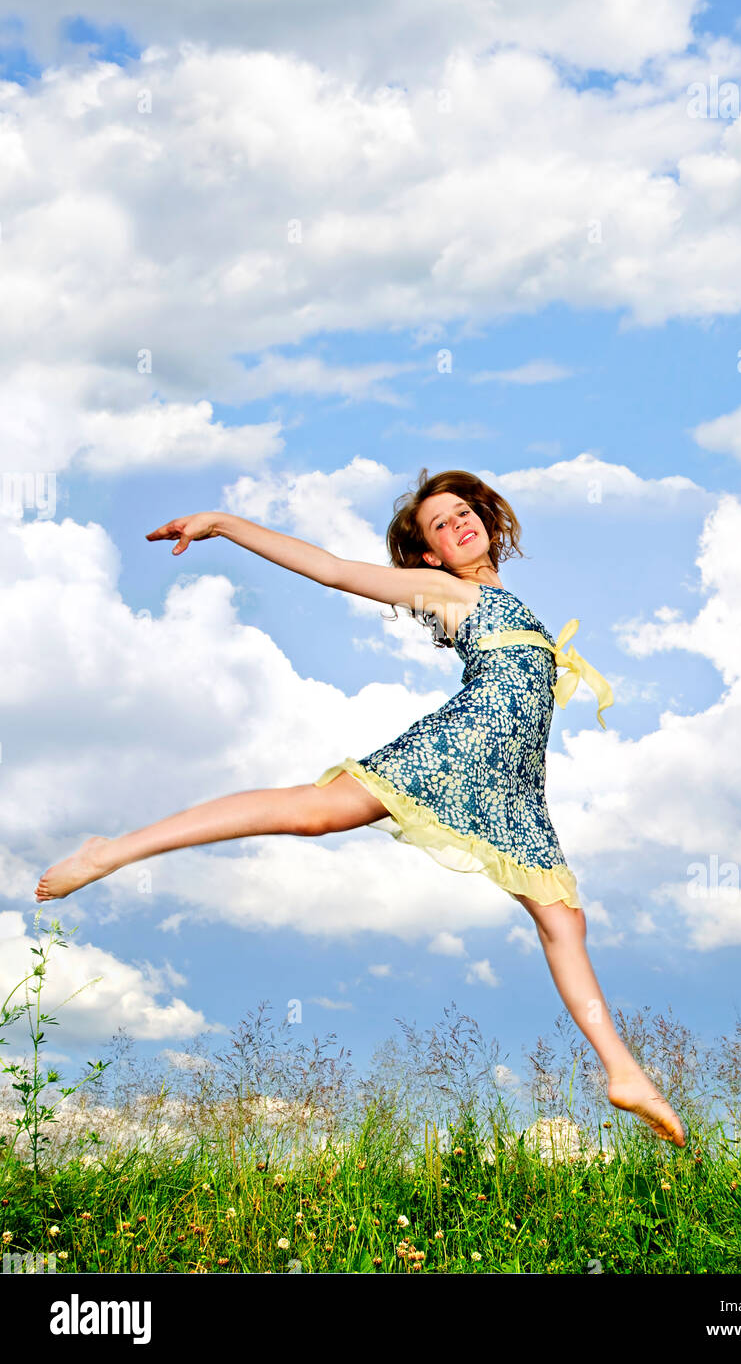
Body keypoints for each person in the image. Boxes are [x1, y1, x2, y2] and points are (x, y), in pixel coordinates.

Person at [35, 468, 685, 1146]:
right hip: (461, 745)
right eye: (440, 524)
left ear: (488, 520)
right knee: (315, 812)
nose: (458, 524)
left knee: (564, 922)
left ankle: (623, 1073)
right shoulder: (445, 590)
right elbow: (332, 569)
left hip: (514, 782)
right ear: (430, 554)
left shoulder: (510, 600)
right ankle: (110, 852)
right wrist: (222, 523)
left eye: (464, 511)